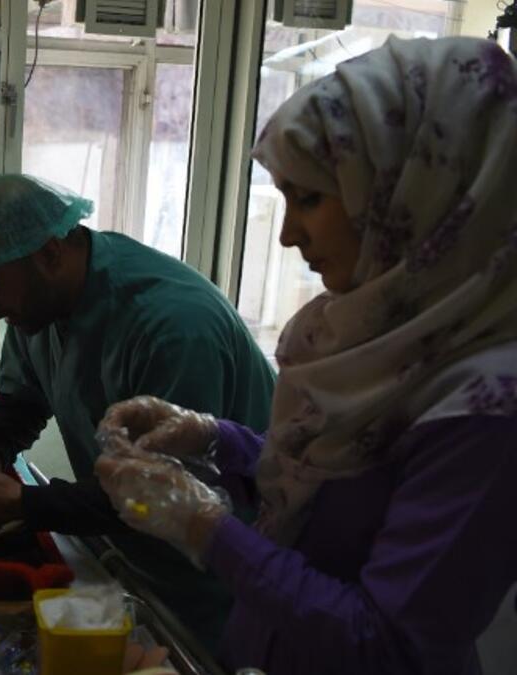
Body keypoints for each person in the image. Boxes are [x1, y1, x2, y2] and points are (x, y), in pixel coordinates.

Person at [95, 36, 517, 675]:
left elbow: (385, 645)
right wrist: (218, 441)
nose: (289, 234)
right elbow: (336, 490)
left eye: (311, 198)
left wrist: (205, 528)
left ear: (416, 192)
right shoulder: (371, 333)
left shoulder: (488, 407)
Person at [0, 173, 277, 648]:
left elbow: (163, 488)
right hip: (136, 559)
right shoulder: (37, 304)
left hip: (226, 579)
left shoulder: (173, 327)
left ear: (50, 253)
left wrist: (23, 504)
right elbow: (25, 397)